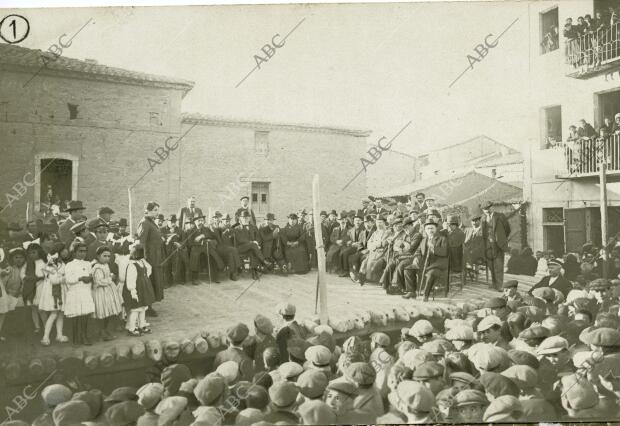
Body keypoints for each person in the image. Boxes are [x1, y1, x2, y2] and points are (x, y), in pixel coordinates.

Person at [38, 242, 70, 346]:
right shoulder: (51, 264)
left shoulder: (61, 263)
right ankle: (45, 336)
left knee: (60, 313)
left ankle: (59, 335)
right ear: (59, 252)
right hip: (53, 291)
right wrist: (66, 278)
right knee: (54, 313)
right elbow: (53, 280)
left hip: (60, 290)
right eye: (64, 249)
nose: (67, 251)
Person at [63, 241, 95, 345]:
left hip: (85, 291)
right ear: (74, 252)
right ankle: (76, 338)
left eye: (85, 251)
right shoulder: (69, 265)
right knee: (76, 315)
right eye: (80, 251)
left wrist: (90, 278)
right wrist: (80, 278)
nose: (83, 253)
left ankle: (84, 335)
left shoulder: (88, 263)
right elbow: (68, 279)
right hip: (75, 292)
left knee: (85, 315)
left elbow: (90, 275)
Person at [137, 201, 165, 316]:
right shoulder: (144, 223)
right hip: (148, 258)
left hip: (155, 257)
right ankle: (147, 307)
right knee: (148, 282)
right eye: (155, 210)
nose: (157, 212)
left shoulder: (152, 222)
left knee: (154, 281)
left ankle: (149, 306)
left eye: (157, 210)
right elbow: (141, 242)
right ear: (147, 211)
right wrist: (142, 260)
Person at [91, 246, 123, 342]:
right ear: (98, 256)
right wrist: (110, 279)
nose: (107, 258)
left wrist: (110, 276)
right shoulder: (96, 267)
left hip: (108, 291)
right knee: (102, 312)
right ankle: (102, 331)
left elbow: (106, 275)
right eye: (104, 256)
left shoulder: (105, 265)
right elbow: (99, 281)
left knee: (108, 312)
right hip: (100, 292)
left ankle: (105, 330)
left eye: (109, 256)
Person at [123, 243, 155, 337]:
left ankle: (142, 325)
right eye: (142, 252)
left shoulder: (142, 262)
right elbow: (130, 280)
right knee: (135, 310)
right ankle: (132, 328)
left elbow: (149, 270)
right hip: (136, 290)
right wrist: (133, 292)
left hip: (143, 288)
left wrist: (144, 278)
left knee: (143, 308)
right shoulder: (132, 265)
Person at [413, 218, 448, 301]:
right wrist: (416, 257)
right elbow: (418, 251)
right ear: (425, 230)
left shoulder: (442, 239)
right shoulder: (423, 240)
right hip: (425, 264)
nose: (430, 230)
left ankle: (425, 295)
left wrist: (432, 247)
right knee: (410, 269)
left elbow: (444, 252)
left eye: (432, 228)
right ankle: (413, 292)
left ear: (435, 229)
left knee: (431, 274)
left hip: (438, 265)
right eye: (428, 228)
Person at [481, 202, 511, 291]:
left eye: (488, 208)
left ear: (492, 207)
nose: (487, 211)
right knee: (491, 265)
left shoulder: (500, 216)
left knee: (498, 265)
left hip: (498, 245)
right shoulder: (483, 218)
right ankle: (494, 284)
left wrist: (501, 238)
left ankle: (500, 285)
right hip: (488, 245)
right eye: (484, 209)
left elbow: (507, 229)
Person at [359, 215, 391, 285]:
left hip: (383, 253)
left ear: (384, 223)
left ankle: (374, 279)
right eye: (377, 223)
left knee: (373, 264)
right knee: (364, 262)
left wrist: (378, 244)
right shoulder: (375, 233)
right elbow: (369, 243)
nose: (379, 224)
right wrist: (373, 246)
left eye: (380, 222)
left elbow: (387, 242)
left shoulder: (388, 232)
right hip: (374, 252)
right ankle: (363, 277)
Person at [24, 242, 47, 335]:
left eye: (34, 252)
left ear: (39, 252)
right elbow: (24, 275)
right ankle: (37, 326)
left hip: (41, 287)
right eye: (30, 253)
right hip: (31, 287)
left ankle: (46, 326)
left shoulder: (43, 262)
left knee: (41, 308)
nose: (31, 255)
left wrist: (39, 277)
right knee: (33, 308)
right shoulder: (28, 263)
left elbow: (47, 274)